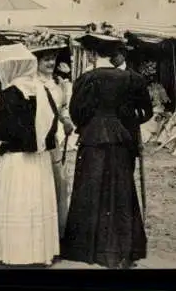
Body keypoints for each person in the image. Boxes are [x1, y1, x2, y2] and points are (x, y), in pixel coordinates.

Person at [61, 33, 153, 269]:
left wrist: (89, 125)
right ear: (115, 55)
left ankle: (86, 248)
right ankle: (122, 248)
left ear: (93, 54)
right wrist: (126, 122)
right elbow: (146, 113)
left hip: (92, 139)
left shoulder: (85, 79)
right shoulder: (132, 79)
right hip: (121, 140)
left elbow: (76, 112)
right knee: (121, 191)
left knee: (90, 189)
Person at [0, 43, 63, 267]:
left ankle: (16, 253)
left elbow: (2, 130)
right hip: (39, 159)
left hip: (17, 159)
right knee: (37, 201)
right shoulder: (41, 90)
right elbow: (51, 123)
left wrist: (4, 143)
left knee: (18, 203)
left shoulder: (9, 93)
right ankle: (40, 252)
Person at [29, 42, 75, 242]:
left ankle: (58, 232)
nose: (50, 63)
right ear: (37, 61)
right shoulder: (30, 83)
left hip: (54, 139)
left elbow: (63, 108)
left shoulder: (59, 84)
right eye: (45, 59)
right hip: (36, 140)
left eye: (52, 59)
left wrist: (66, 120)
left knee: (59, 183)